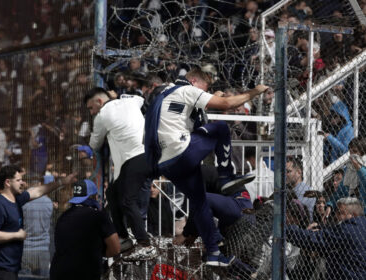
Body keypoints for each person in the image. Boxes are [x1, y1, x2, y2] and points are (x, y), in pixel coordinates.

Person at [145, 68, 268, 266]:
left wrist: (213, 96)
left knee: (199, 201)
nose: (206, 93)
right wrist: (255, 91)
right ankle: (227, 178)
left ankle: (213, 253)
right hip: (181, 151)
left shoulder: (167, 94)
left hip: (166, 163)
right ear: (194, 81)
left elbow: (198, 115)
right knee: (220, 128)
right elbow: (227, 103)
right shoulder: (187, 90)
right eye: (205, 88)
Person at [84, 87, 156, 261]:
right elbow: (141, 99)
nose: (91, 112)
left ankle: (144, 244)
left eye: (91, 108)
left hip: (134, 159)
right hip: (146, 156)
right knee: (112, 192)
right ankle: (124, 238)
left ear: (99, 102)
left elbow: (95, 144)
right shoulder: (131, 100)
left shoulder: (102, 116)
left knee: (126, 200)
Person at [0, 165, 77, 280]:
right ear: (8, 182)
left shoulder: (16, 199)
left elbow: (38, 191)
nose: (22, 183)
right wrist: (17, 235)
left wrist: (62, 182)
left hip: (11, 268)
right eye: (18, 180)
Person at [49, 179, 120, 280]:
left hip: (59, 273)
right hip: (85, 273)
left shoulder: (63, 217)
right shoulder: (99, 217)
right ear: (94, 197)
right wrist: (99, 252)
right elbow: (115, 248)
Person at [286, 197, 366, 280]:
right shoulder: (361, 225)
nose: (336, 215)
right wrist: (320, 227)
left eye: (340, 213)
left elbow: (315, 239)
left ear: (354, 215)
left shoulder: (348, 229)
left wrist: (286, 230)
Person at [20, 180, 53, 279]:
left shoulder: (23, 201)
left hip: (26, 248)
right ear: (39, 185)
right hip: (43, 248)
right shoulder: (48, 202)